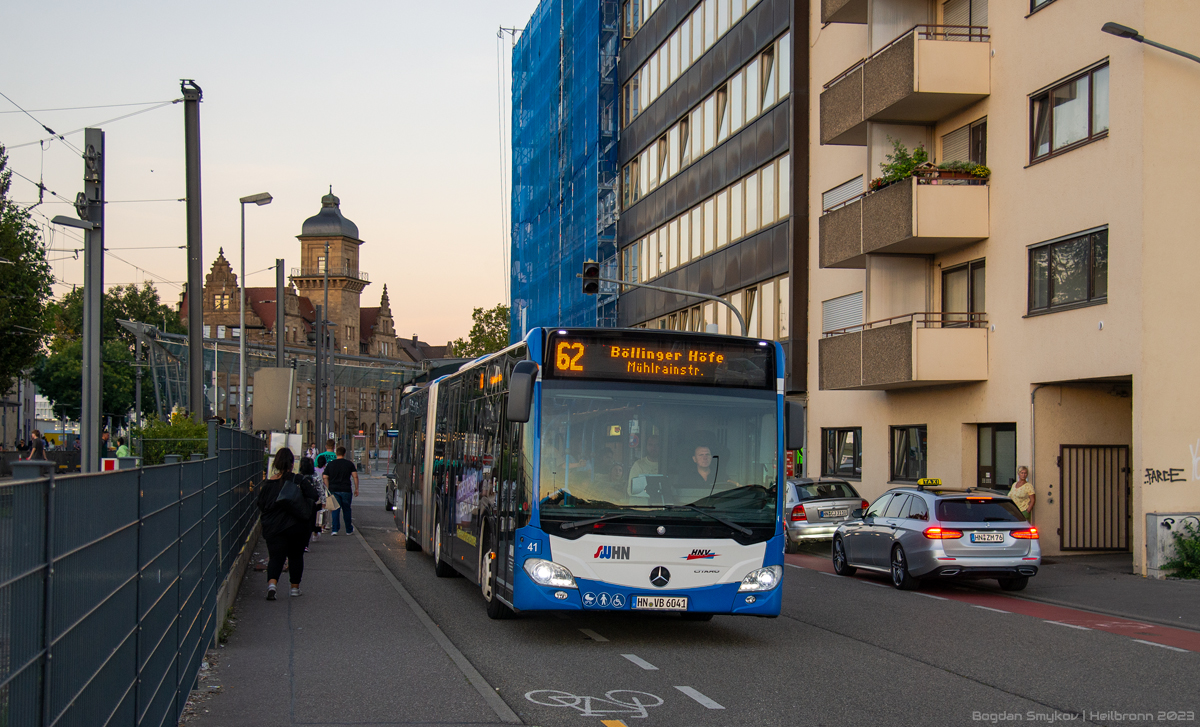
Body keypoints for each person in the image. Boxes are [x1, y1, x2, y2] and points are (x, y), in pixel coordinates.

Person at [255, 448, 318, 599]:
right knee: (296, 556)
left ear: (275, 463)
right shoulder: (299, 480)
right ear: (292, 463)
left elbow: (261, 505)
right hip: (297, 526)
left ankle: (272, 586)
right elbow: (314, 496)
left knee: (276, 557)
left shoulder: (268, 484)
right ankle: (294, 589)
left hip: (274, 527)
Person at [323, 446, 359, 535]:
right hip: (346, 489)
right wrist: (356, 488)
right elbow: (355, 476)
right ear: (344, 454)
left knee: (335, 510)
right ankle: (348, 530)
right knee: (347, 510)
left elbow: (325, 477)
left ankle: (335, 530)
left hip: (334, 489)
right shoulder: (349, 464)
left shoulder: (330, 464)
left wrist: (327, 489)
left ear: (336, 454)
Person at [297, 456, 326, 542]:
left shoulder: (299, 476)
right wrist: (323, 500)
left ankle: (304, 540)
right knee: (314, 519)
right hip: (315, 501)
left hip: (301, 501)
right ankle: (314, 534)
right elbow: (320, 489)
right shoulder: (316, 475)